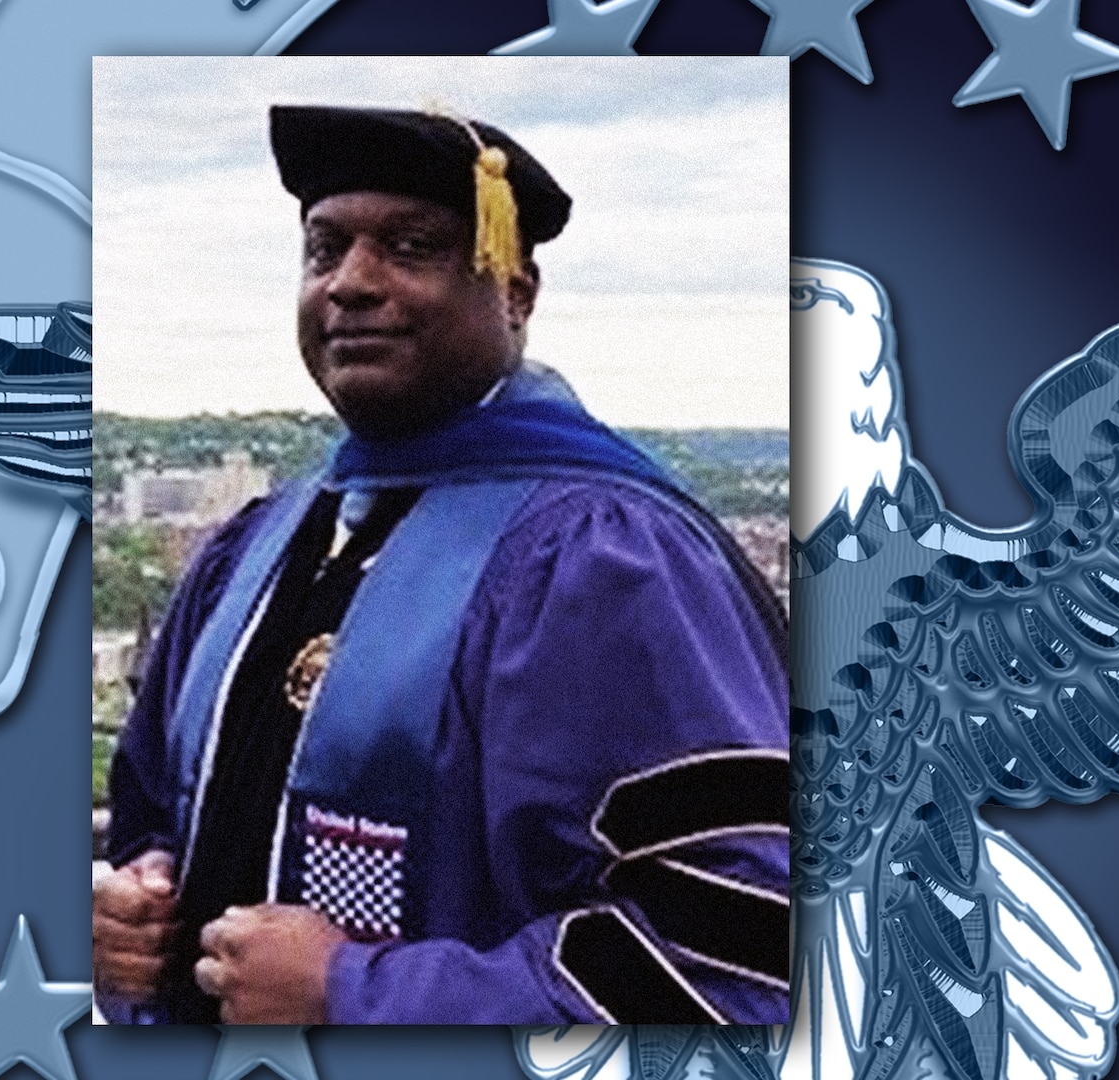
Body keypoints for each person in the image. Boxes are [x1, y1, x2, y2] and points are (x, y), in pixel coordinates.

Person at [94, 103, 791, 1025]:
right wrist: (133, 907)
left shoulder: (607, 562)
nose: (350, 283)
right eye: (324, 248)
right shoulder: (254, 547)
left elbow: (742, 951)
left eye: (411, 246)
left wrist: (357, 994)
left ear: (516, 292)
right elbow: (155, 804)